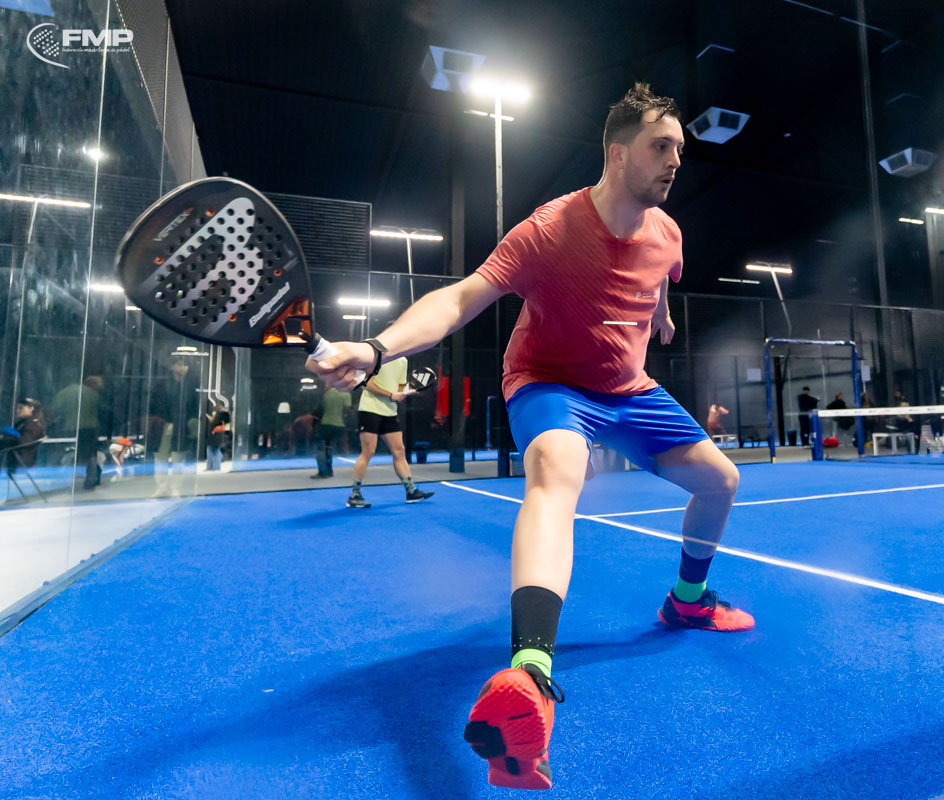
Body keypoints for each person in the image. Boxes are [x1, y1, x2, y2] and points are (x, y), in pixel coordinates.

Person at [307, 83, 752, 790]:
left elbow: (663, 275)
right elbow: (462, 297)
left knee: (721, 481)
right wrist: (376, 347)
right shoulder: (550, 229)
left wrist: (661, 315)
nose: (676, 160)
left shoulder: (667, 231)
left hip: (628, 389)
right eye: (661, 146)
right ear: (617, 153)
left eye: (679, 149)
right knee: (557, 474)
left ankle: (687, 601)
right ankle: (532, 669)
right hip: (551, 384)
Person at [345, 354, 435, 508]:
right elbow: (366, 385)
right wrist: (390, 395)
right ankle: (354, 495)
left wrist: (407, 391)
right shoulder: (376, 358)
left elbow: (399, 388)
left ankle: (411, 491)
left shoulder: (403, 361)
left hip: (390, 412)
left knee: (399, 451)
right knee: (368, 451)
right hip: (370, 409)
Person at [150, 356, 200, 497]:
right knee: (161, 457)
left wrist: (189, 423)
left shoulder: (191, 386)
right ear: (172, 366)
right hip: (164, 424)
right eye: (179, 364)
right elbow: (156, 404)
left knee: (178, 458)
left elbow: (193, 407)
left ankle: (174, 488)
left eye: (185, 365)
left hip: (181, 426)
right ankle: (162, 487)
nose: (183, 368)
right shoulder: (163, 384)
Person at [51, 375, 104, 490]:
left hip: (71, 427)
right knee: (91, 454)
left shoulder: (65, 392)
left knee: (69, 451)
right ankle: (91, 479)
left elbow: (56, 408)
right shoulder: (93, 394)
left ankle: (64, 479)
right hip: (90, 427)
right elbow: (100, 410)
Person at [313, 386, 352, 479]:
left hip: (326, 424)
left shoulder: (327, 393)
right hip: (339, 424)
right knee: (329, 447)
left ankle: (323, 472)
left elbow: (321, 408)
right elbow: (347, 410)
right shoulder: (346, 394)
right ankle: (329, 471)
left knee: (321, 448)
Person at [1, 397, 46, 470]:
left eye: (21, 408)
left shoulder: (33, 425)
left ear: (31, 408)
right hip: (14, 463)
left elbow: (25, 441)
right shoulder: (21, 423)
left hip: (23, 465)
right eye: (17, 408)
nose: (17, 411)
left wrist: (4, 438)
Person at [206, 401, 231, 472]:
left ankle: (214, 467)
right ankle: (212, 466)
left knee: (215, 451)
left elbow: (217, 425)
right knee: (213, 450)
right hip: (217, 436)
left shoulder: (220, 415)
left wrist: (212, 420)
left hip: (216, 436)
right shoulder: (223, 415)